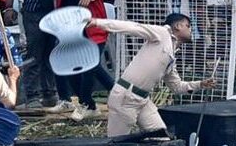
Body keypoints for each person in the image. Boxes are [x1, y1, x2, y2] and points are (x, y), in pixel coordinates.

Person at [87, 13, 216, 137]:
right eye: (188, 26)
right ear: (178, 26)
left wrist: (200, 84)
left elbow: (176, 86)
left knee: (161, 138)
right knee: (115, 144)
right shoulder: (162, 33)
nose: (191, 30)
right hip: (126, 97)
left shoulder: (171, 55)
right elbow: (132, 27)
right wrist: (97, 22)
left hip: (142, 100)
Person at [34, 0, 112, 111]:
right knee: (62, 61)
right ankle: (70, 101)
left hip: (92, 29)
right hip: (68, 30)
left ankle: (90, 102)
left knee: (91, 66)